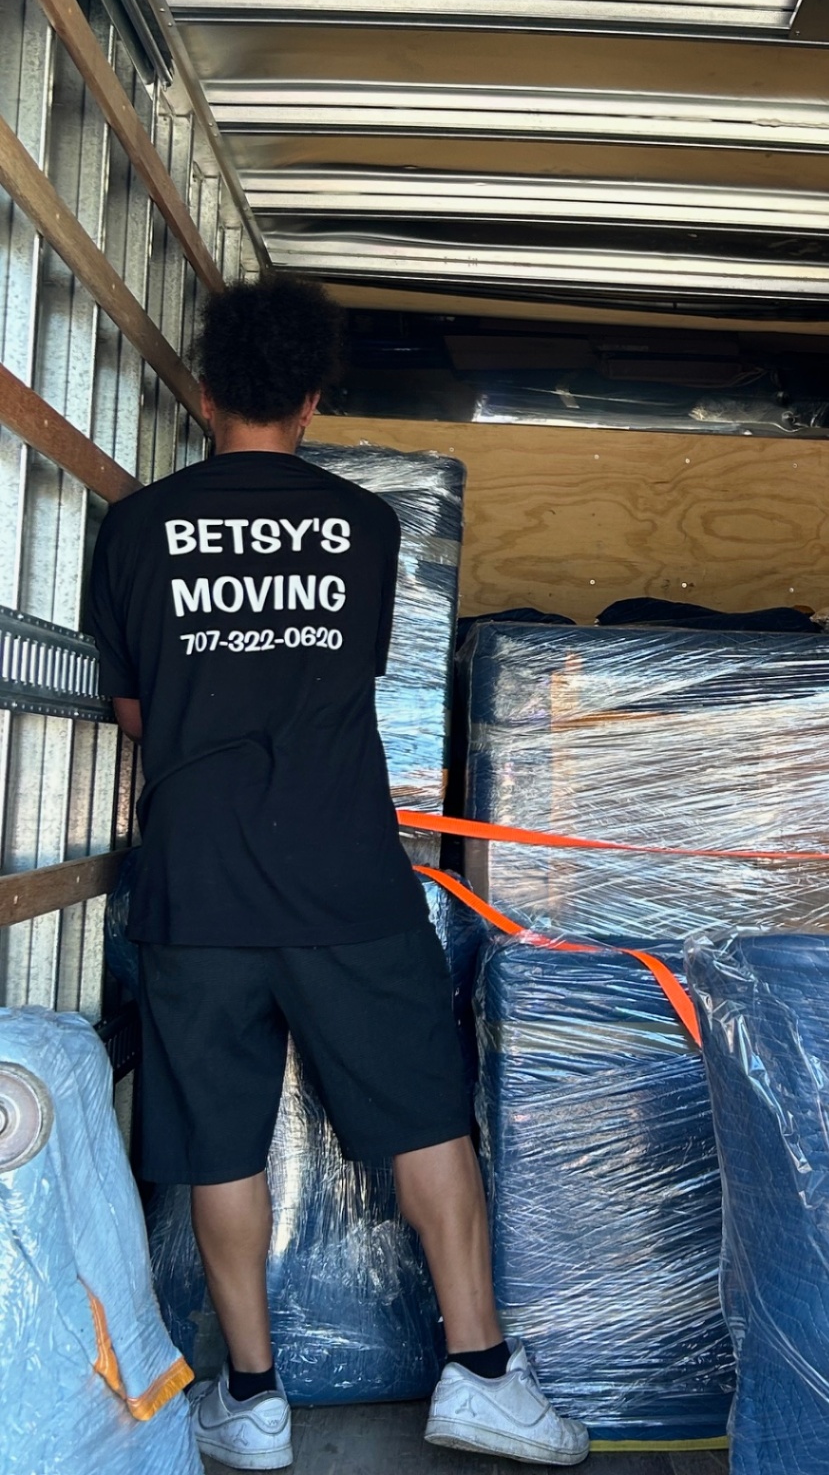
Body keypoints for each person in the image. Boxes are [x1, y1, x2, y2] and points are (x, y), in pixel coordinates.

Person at [86, 277, 589, 1471]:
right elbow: (342, 675)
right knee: (424, 1114)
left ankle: (252, 1402)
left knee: (219, 1142)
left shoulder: (135, 527)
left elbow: (132, 707)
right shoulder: (363, 526)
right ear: (311, 398)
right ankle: (478, 1374)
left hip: (197, 881)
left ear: (205, 391)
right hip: (345, 871)